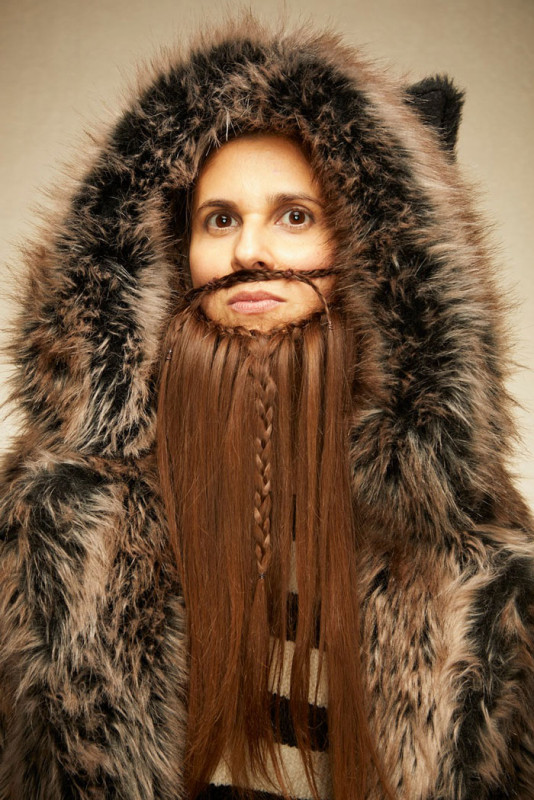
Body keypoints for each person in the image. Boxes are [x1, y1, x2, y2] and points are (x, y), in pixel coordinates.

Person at [0, 14, 533, 800]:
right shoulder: (55, 519)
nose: (250, 250)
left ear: (374, 249)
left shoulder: (475, 554)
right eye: (219, 219)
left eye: (295, 215)